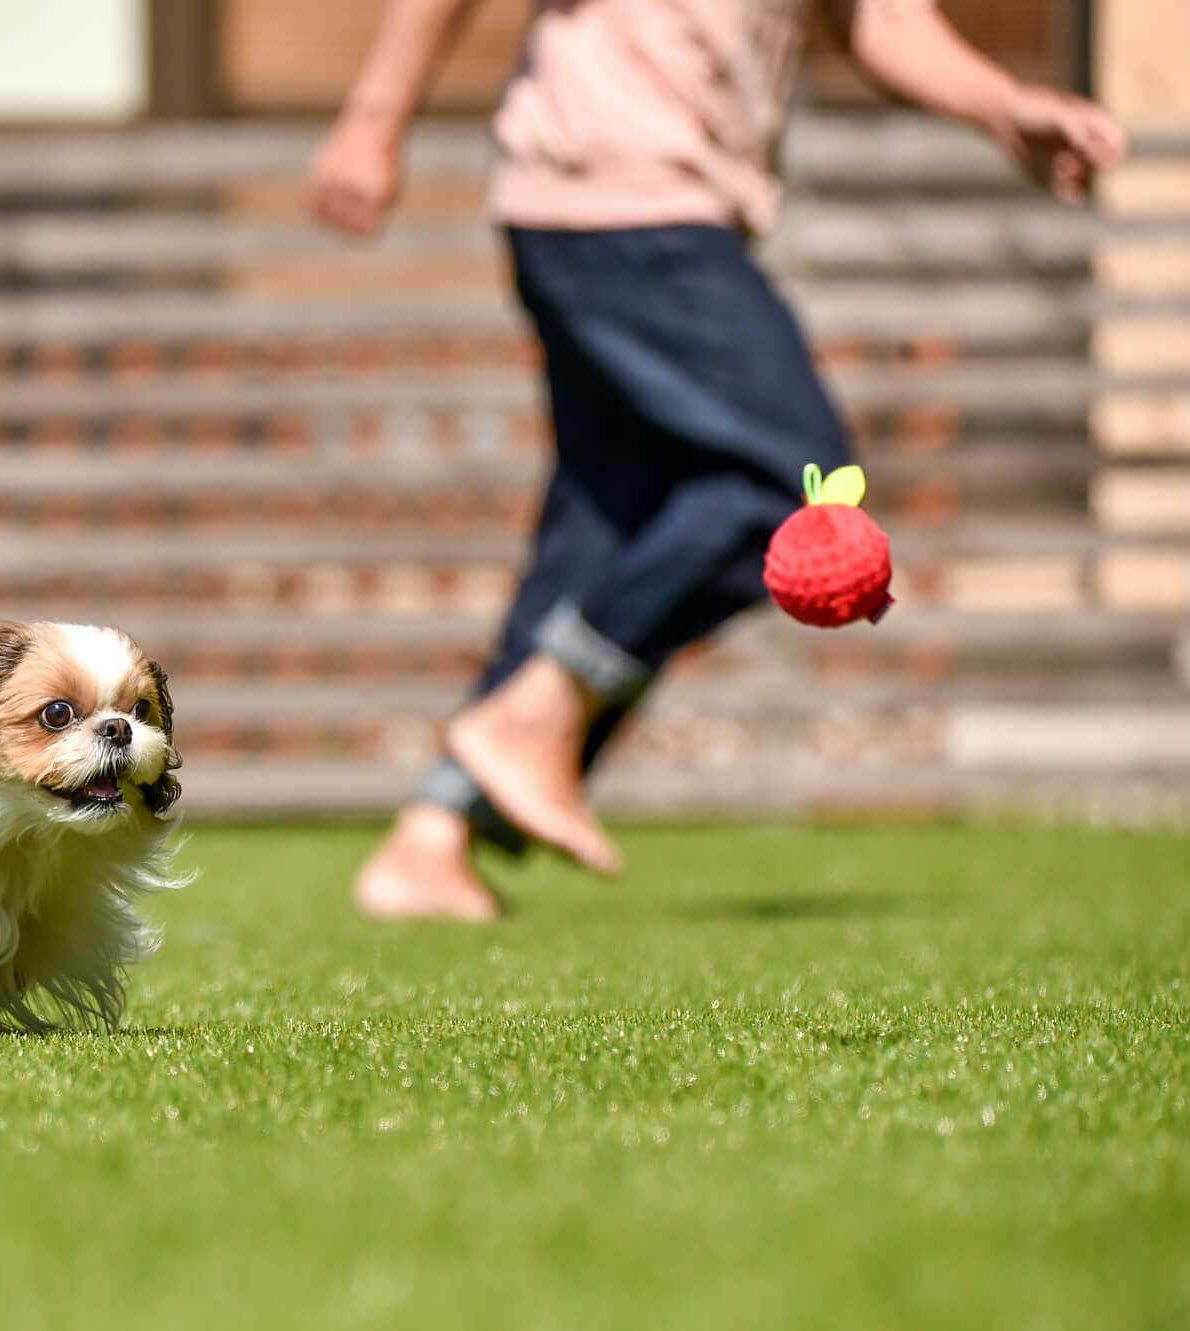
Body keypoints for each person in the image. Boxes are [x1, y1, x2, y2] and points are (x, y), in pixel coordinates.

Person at [305, 0, 1126, 919]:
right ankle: (541, 705)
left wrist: (1005, 104)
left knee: (608, 517)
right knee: (796, 487)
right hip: (619, 189)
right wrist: (373, 123)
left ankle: (434, 837)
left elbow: (882, 17)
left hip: (645, 207)